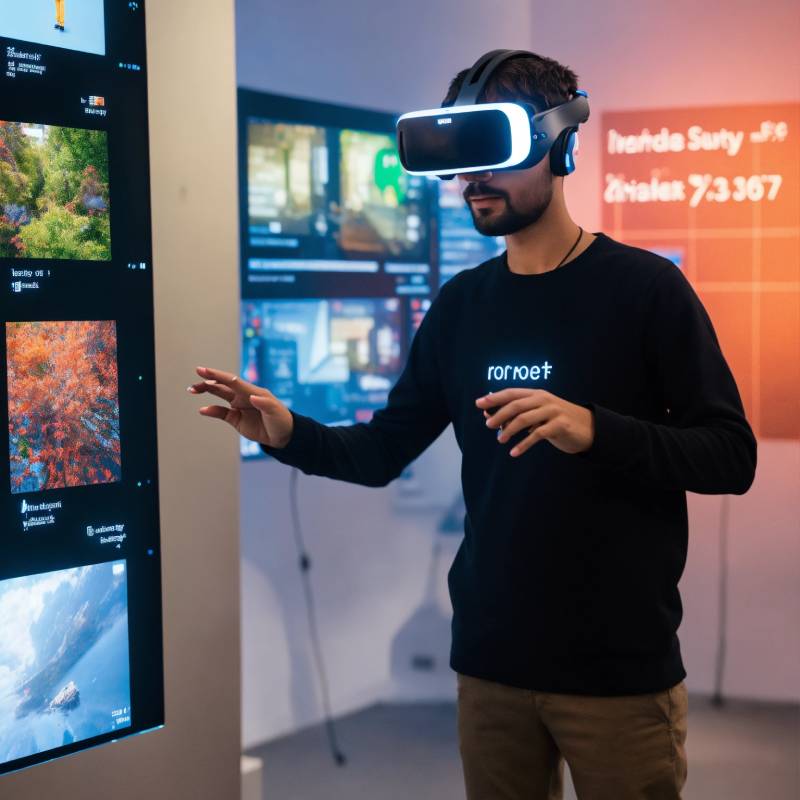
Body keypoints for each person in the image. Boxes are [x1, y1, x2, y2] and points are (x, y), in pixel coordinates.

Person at [189, 52, 756, 800]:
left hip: (618, 668)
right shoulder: (462, 306)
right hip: (492, 663)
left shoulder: (646, 290)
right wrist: (288, 432)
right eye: (461, 160)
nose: (471, 181)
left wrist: (595, 429)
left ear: (560, 147)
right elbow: (382, 450)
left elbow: (730, 455)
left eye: (493, 153)